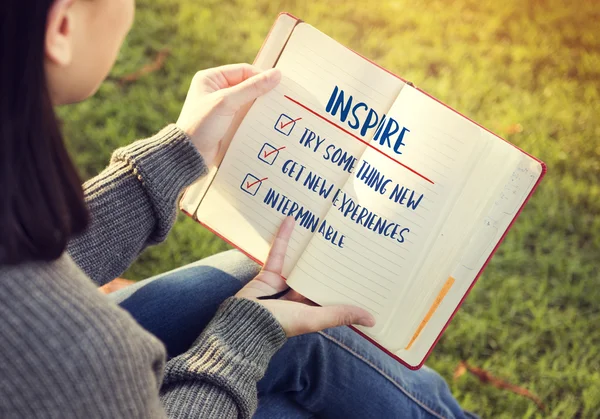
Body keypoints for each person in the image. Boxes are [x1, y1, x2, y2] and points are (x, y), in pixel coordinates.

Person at [0, 0, 475, 418]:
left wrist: (174, 157)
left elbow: (24, 256)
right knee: (294, 346)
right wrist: (239, 340)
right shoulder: (81, 350)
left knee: (255, 285)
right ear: (62, 27)